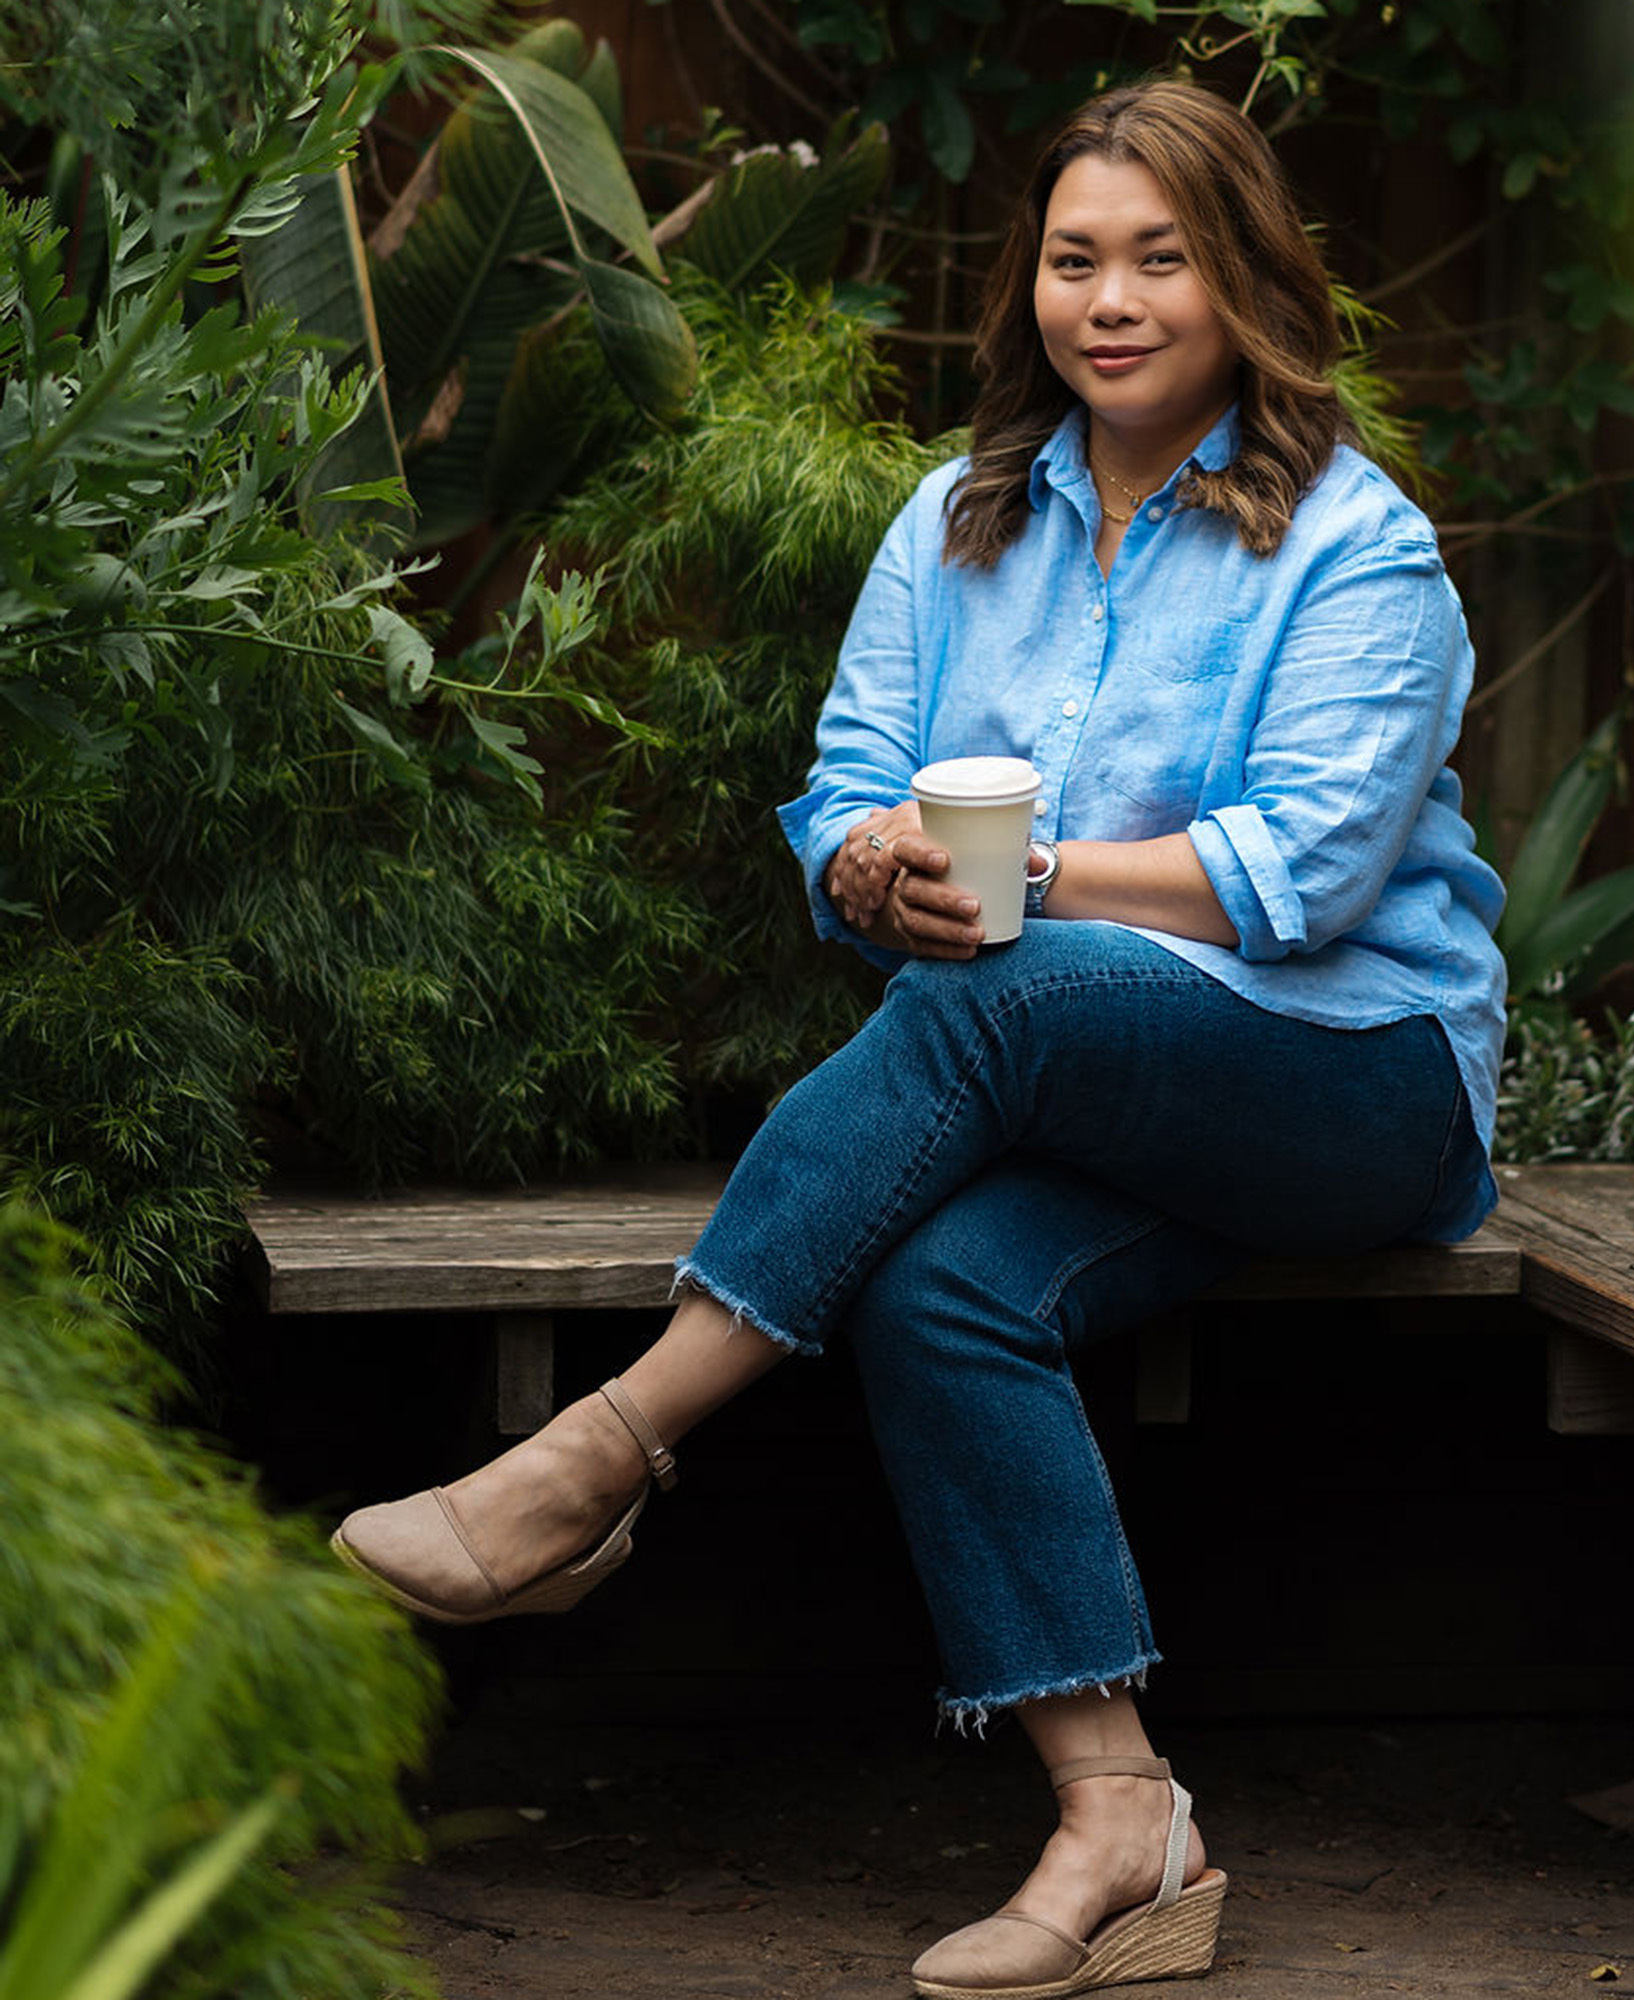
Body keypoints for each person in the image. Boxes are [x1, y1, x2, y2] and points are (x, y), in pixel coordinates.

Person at [333, 79, 1506, 2000]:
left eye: (1159, 259)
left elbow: (1293, 873)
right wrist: (869, 868)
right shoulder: (956, 524)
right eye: (1072, 259)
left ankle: (598, 1456)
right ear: (1026, 285)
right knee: (940, 1279)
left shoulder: (1360, 549)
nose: (1108, 299)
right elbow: (846, 786)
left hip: (1350, 1079)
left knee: (1004, 984)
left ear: (1244, 284)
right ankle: (1123, 1812)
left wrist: (1027, 879)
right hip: (1079, 1075)